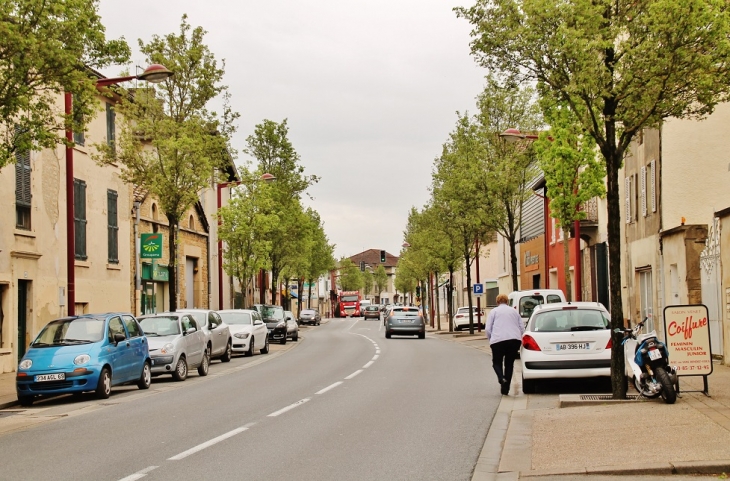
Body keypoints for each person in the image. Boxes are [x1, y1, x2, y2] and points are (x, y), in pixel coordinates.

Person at [485, 293, 524, 395]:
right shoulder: (514, 312)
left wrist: (491, 339)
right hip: (514, 340)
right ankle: (505, 389)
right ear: (507, 301)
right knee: (509, 364)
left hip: (498, 340)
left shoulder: (494, 312)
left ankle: (501, 378)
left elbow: (488, 329)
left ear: (497, 302)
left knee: (496, 363)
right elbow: (522, 327)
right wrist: (520, 338)